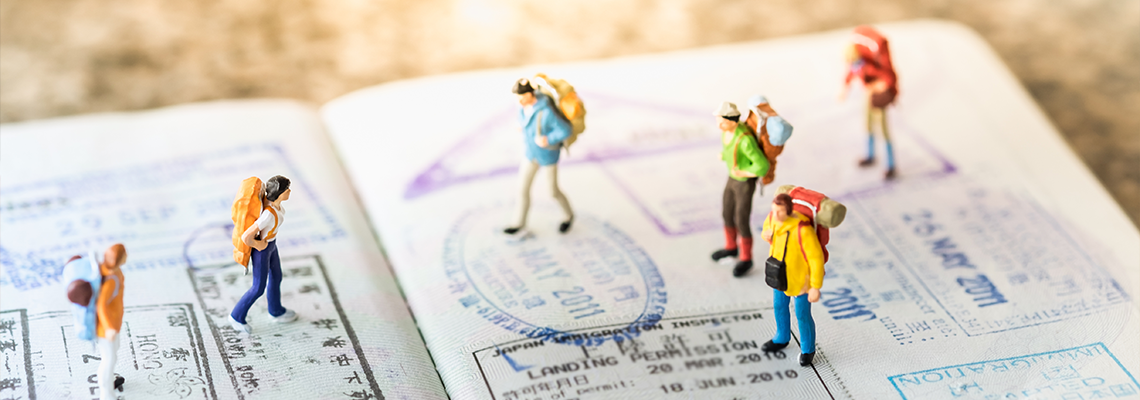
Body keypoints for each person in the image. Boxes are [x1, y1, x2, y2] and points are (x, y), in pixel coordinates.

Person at [759, 194, 825, 366]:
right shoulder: (773, 218)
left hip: (800, 281)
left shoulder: (802, 229)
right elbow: (766, 229)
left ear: (789, 210)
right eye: (774, 210)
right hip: (778, 275)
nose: (776, 214)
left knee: (802, 315)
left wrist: (815, 286)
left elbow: (815, 258)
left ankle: (807, 349)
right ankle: (782, 337)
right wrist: (765, 234)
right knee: (779, 306)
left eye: (780, 211)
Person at [504, 78, 575, 235]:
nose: (519, 100)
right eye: (517, 96)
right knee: (522, 189)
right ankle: (518, 222)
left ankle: (569, 216)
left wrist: (548, 139)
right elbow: (524, 122)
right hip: (530, 154)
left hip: (548, 155)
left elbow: (565, 130)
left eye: (522, 96)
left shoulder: (547, 111)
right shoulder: (522, 108)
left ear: (531, 94)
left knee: (552, 191)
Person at [230, 175, 297, 334]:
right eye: (287, 189)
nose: (289, 191)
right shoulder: (268, 214)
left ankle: (276, 311)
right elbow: (247, 236)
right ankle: (236, 316)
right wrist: (258, 244)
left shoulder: (276, 206)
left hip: (272, 245)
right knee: (258, 287)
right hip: (263, 249)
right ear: (280, 193)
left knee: (277, 276)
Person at [709, 102, 770, 278]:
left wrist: (744, 172)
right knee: (727, 213)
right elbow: (728, 150)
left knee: (741, 219)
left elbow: (762, 166)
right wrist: (724, 156)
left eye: (722, 121)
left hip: (744, 182)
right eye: (718, 120)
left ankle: (746, 258)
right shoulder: (725, 134)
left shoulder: (744, 141)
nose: (719, 124)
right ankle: (731, 247)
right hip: (732, 178)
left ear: (733, 121)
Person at [65, 244, 127, 400]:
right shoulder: (110, 279)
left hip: (113, 322)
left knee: (113, 352)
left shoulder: (111, 272)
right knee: (109, 358)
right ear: (121, 259)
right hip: (106, 328)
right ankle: (106, 394)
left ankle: (110, 379)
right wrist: (109, 328)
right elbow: (101, 307)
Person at [840, 25, 899, 179]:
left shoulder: (869, 66)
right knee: (867, 123)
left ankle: (891, 165)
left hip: (877, 94)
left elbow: (888, 76)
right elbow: (849, 73)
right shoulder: (855, 64)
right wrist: (844, 90)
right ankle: (870, 154)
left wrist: (884, 85)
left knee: (883, 128)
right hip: (867, 92)